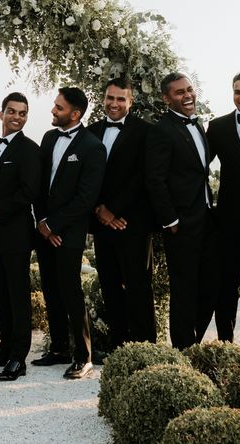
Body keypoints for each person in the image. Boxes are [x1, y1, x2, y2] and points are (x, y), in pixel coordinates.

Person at [33, 86, 105, 380]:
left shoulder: (92, 146)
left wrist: (55, 225)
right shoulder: (49, 138)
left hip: (70, 232)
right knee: (50, 288)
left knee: (70, 291)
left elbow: (86, 198)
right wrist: (42, 222)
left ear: (75, 114)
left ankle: (83, 357)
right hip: (45, 228)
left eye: (58, 107)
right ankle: (59, 347)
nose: (53, 110)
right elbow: (39, 184)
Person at [147, 72, 218, 349]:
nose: (187, 95)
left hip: (206, 218)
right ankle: (183, 349)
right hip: (181, 223)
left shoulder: (198, 125)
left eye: (189, 90)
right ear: (166, 98)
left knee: (211, 285)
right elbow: (154, 179)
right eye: (179, 92)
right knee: (184, 290)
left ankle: (195, 341)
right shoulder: (161, 130)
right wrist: (170, 220)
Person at [87, 77, 156, 349]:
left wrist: (113, 210)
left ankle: (145, 347)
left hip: (133, 223)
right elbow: (87, 177)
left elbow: (143, 176)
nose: (114, 103)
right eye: (110, 98)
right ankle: (118, 346)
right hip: (102, 224)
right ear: (103, 99)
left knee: (139, 287)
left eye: (120, 99)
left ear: (131, 102)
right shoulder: (90, 132)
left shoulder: (146, 131)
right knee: (109, 286)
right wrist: (99, 209)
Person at [0, 93, 41, 382]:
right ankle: (4, 348)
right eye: (12, 111)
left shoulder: (30, 150)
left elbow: (30, 192)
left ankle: (19, 357)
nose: (17, 117)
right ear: (1, 113)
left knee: (18, 296)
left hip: (16, 234)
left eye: (22, 113)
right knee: (1, 293)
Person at [207, 71, 240, 355]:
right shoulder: (218, 127)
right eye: (237, 91)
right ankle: (225, 344)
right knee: (226, 284)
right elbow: (196, 167)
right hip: (228, 219)